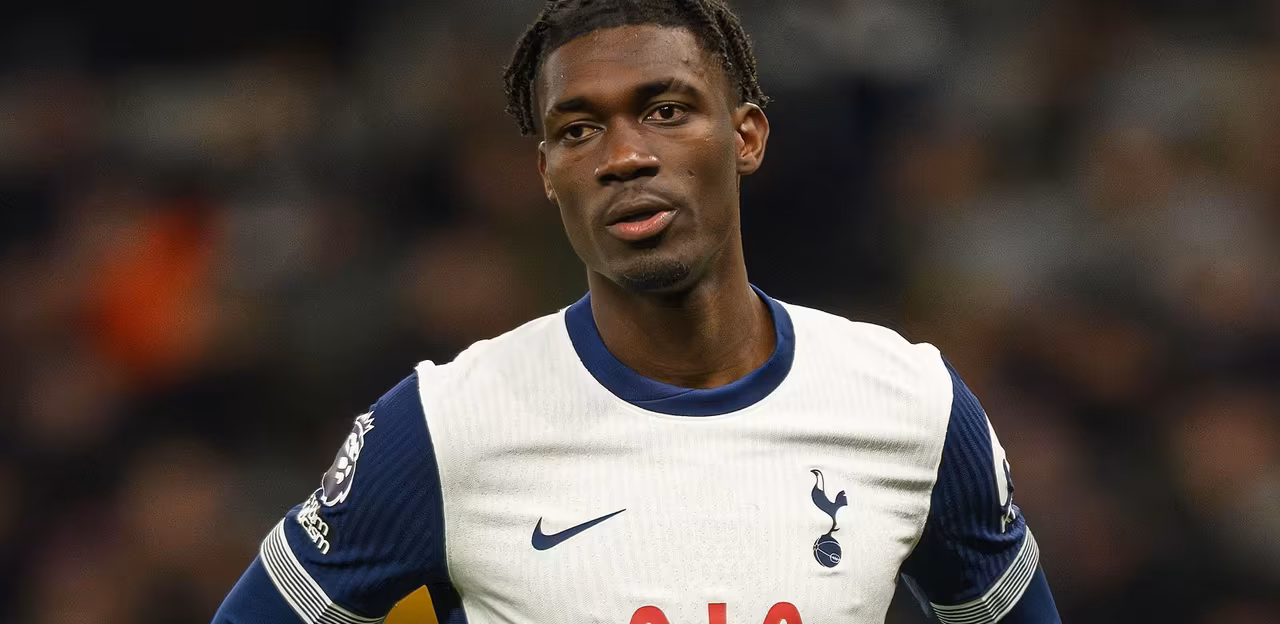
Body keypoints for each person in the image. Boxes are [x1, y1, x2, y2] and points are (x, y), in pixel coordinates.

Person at [212, 1, 1061, 622]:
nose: (623, 156)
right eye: (578, 130)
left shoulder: (909, 404)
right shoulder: (445, 425)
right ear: (548, 174)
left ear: (747, 136)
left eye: (666, 111)